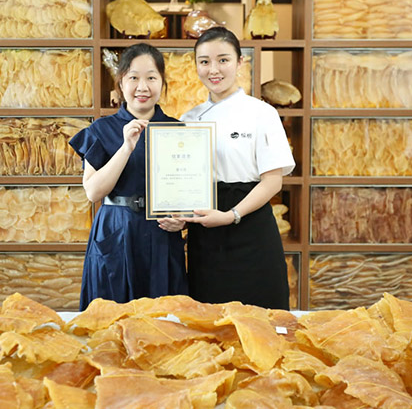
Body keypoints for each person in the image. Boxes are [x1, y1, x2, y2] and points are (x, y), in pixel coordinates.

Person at [179, 26, 295, 310]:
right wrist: (177, 216)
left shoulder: (262, 113)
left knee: (263, 320)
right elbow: (182, 180)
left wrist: (232, 215)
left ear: (240, 62)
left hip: (251, 227)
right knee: (209, 321)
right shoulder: (188, 119)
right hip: (206, 235)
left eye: (223, 60)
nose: (213, 69)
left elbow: (273, 181)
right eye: (204, 61)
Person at [69, 43, 187, 310]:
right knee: (111, 317)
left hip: (161, 234)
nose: (142, 87)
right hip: (116, 230)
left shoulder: (178, 130)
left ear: (162, 82)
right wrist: (126, 148)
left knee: (162, 318)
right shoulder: (101, 129)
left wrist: (183, 219)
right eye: (133, 77)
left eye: (151, 78)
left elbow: (185, 191)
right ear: (121, 83)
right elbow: (93, 192)